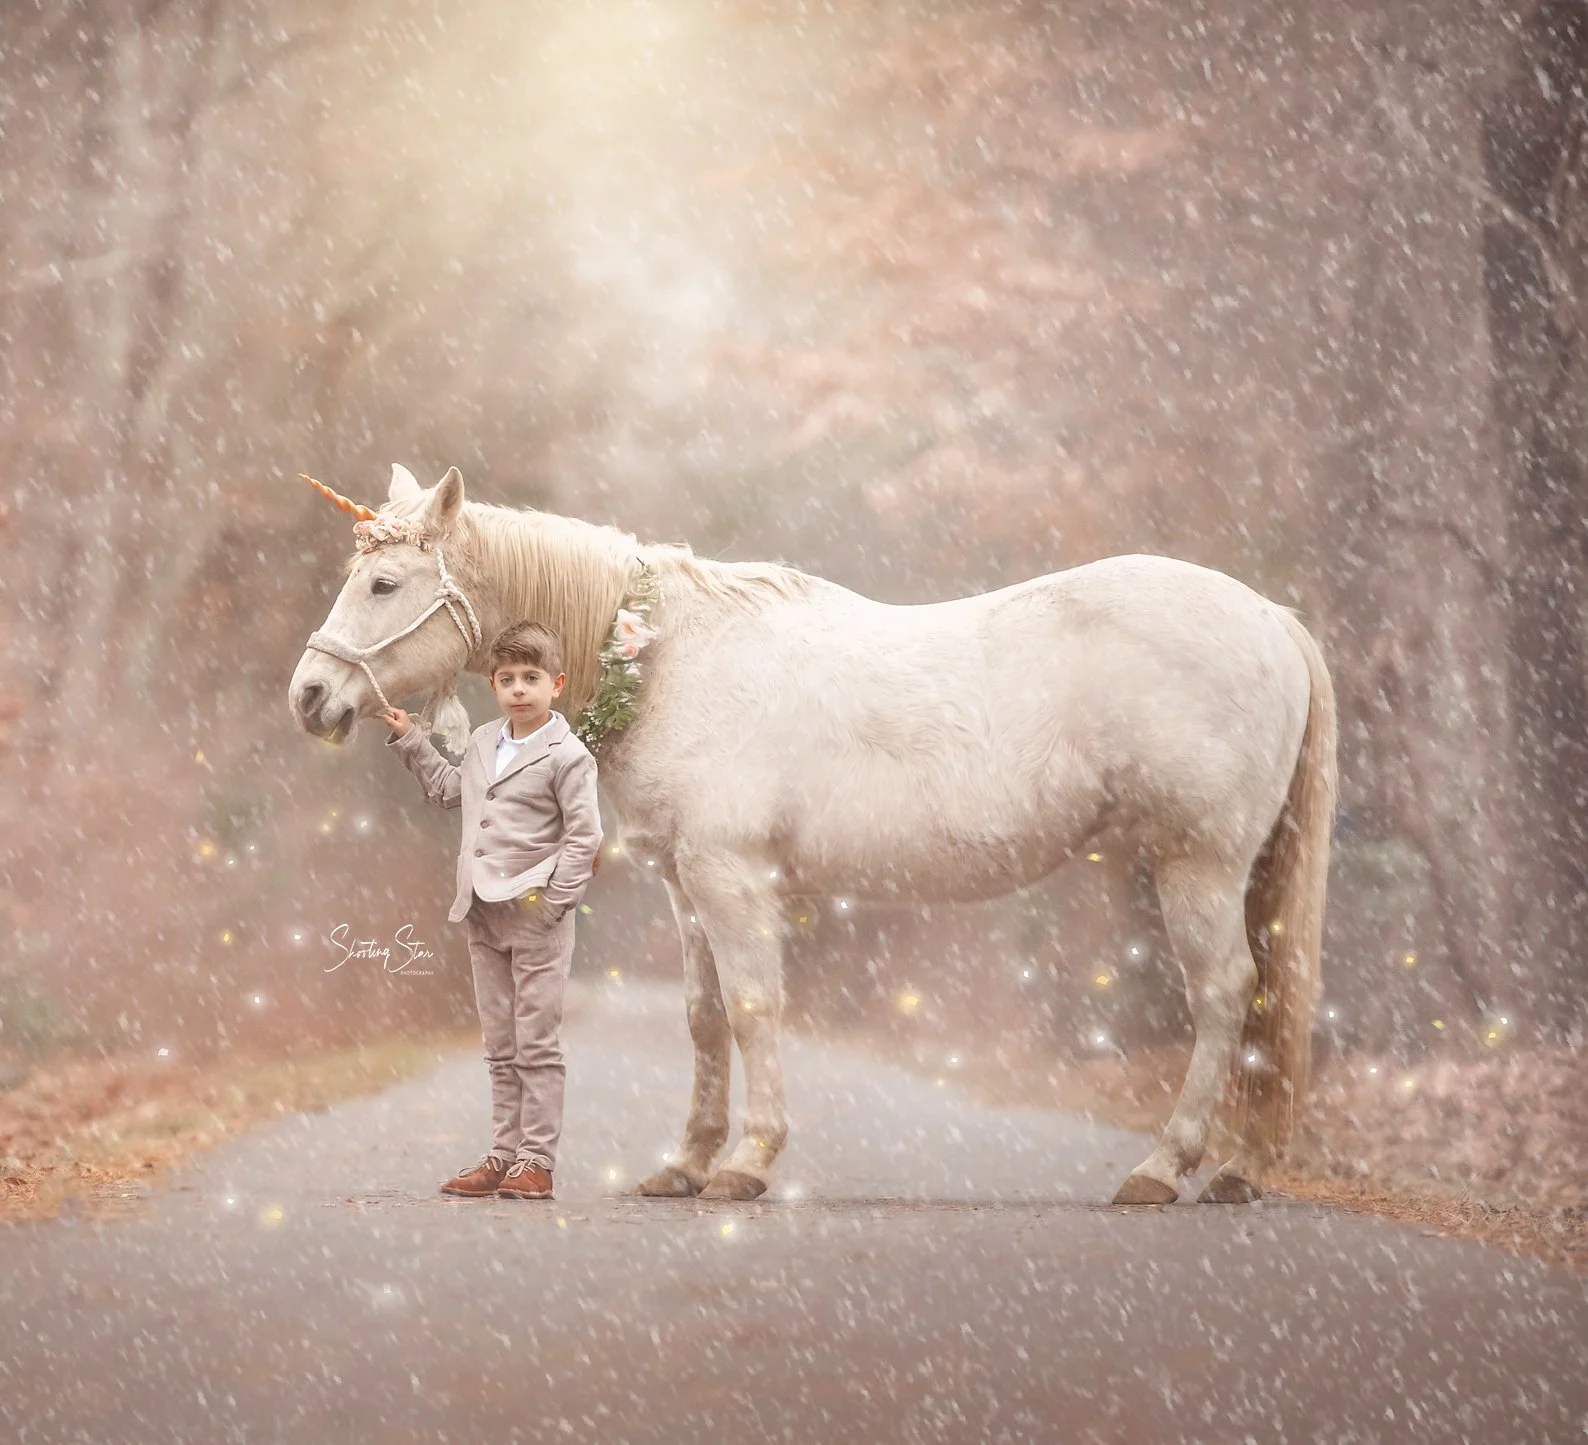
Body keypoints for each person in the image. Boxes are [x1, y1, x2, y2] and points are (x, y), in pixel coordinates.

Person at [380, 620, 602, 1201]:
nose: (519, 690)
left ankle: (537, 1160)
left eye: (531, 678)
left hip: (536, 913)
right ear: (493, 685)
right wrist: (411, 741)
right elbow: (451, 791)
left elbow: (584, 837)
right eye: (507, 679)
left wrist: (557, 901)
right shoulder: (483, 742)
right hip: (481, 911)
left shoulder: (568, 756)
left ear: (556, 683)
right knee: (499, 1043)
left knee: (537, 1042)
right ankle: (503, 1154)